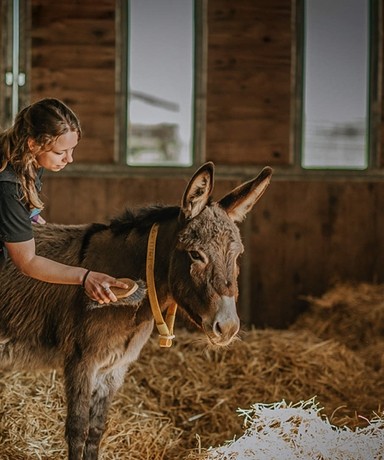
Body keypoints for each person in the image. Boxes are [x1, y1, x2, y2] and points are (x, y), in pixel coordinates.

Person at [0, 97, 131, 305]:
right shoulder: (9, 186)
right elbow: (27, 261)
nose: (69, 159)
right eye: (60, 152)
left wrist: (35, 221)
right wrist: (85, 276)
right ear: (33, 144)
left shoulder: (29, 161)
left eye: (72, 149)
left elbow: (25, 210)